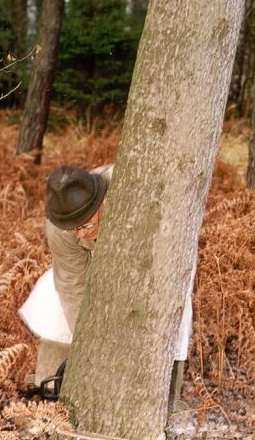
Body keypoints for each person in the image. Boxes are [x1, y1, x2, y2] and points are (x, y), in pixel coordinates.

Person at [19, 164, 194, 410]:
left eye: (85, 226)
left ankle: (164, 402)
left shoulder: (137, 198)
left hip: (157, 257)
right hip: (95, 262)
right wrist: (86, 340)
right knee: (52, 298)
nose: (79, 235)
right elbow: (71, 284)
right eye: (73, 229)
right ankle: (51, 393)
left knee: (170, 315)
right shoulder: (61, 226)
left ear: (103, 203)